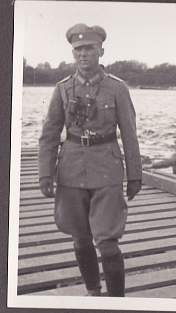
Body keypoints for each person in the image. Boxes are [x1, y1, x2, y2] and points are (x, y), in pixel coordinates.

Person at [38, 23, 142, 297]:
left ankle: (117, 302)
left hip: (106, 169)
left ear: (101, 51)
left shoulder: (117, 89)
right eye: (78, 50)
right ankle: (94, 293)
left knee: (107, 242)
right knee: (80, 238)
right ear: (73, 53)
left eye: (89, 49)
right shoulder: (62, 89)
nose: (83, 54)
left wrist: (135, 175)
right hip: (71, 168)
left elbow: (130, 135)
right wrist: (45, 174)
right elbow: (49, 133)